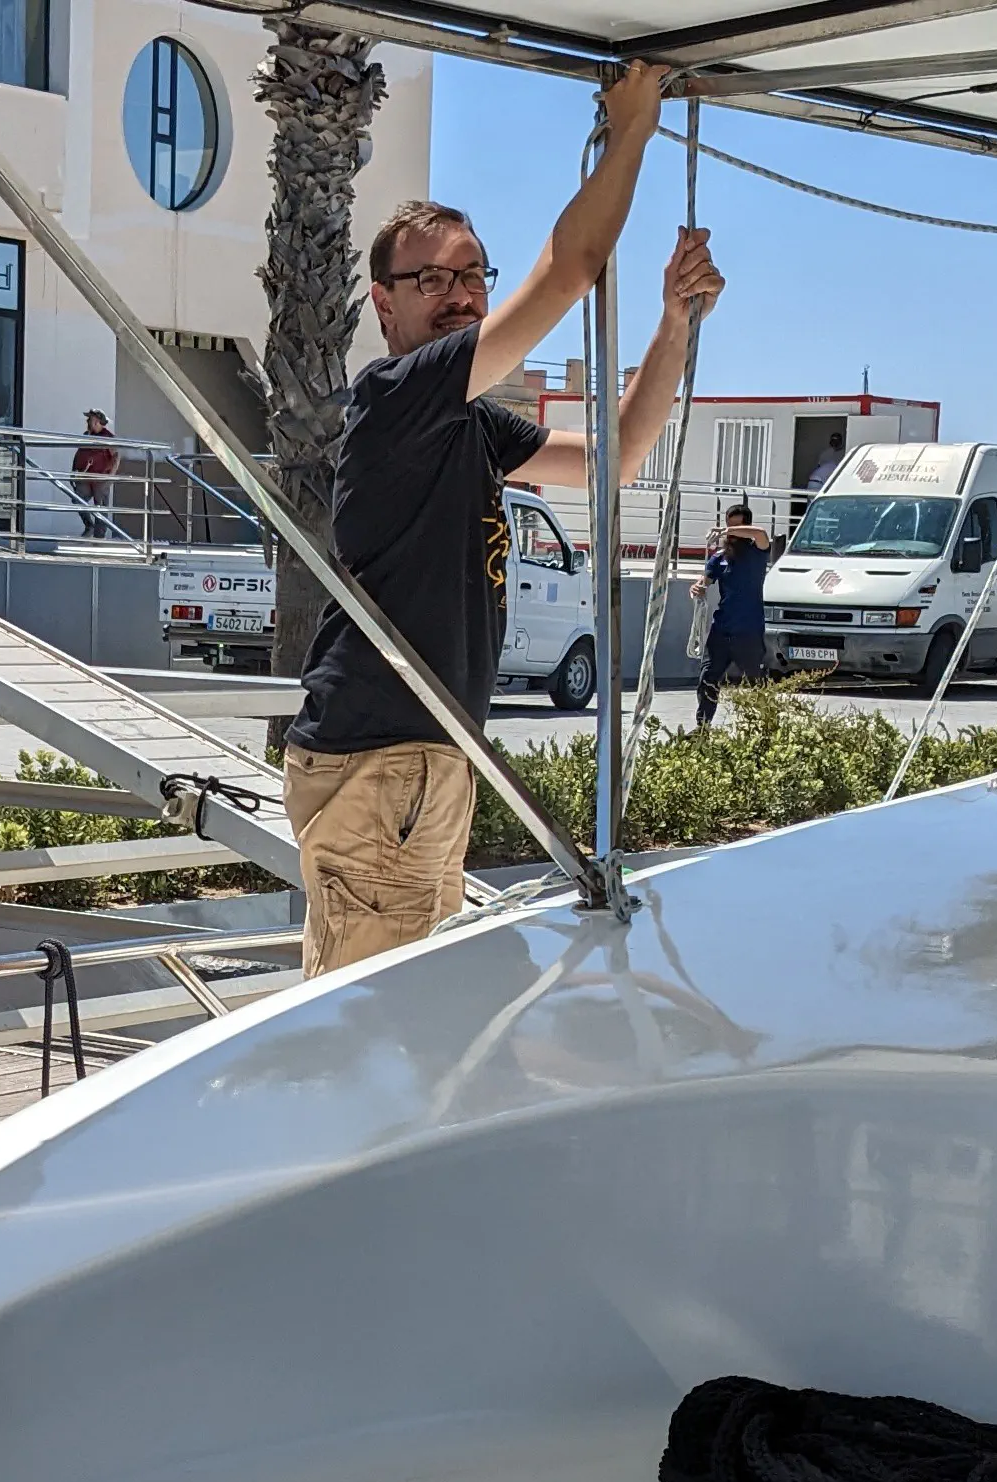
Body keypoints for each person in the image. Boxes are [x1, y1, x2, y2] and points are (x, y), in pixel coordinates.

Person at [283, 58, 722, 974]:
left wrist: (674, 323)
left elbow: (614, 462)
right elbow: (568, 272)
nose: (464, 295)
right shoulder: (400, 395)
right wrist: (634, 126)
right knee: (378, 1032)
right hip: (383, 758)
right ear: (385, 302)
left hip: (423, 760)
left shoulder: (469, 422)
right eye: (435, 280)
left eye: (474, 276)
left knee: (406, 1025)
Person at [690, 502, 772, 727]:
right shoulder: (719, 557)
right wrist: (697, 588)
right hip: (722, 630)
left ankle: (767, 728)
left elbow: (762, 534)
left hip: (748, 631)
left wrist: (727, 531)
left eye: (737, 527)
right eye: (729, 526)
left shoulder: (758, 552)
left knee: (756, 682)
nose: (732, 533)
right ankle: (702, 728)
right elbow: (704, 581)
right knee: (708, 679)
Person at [71, 409, 123, 538]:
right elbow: (79, 454)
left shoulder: (109, 438)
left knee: (100, 507)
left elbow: (116, 457)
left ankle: (99, 536)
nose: (88, 422)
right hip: (85, 476)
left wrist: (110, 477)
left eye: (91, 419)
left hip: (101, 477)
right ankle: (89, 525)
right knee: (77, 499)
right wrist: (74, 471)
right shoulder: (86, 435)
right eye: (89, 420)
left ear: (99, 422)